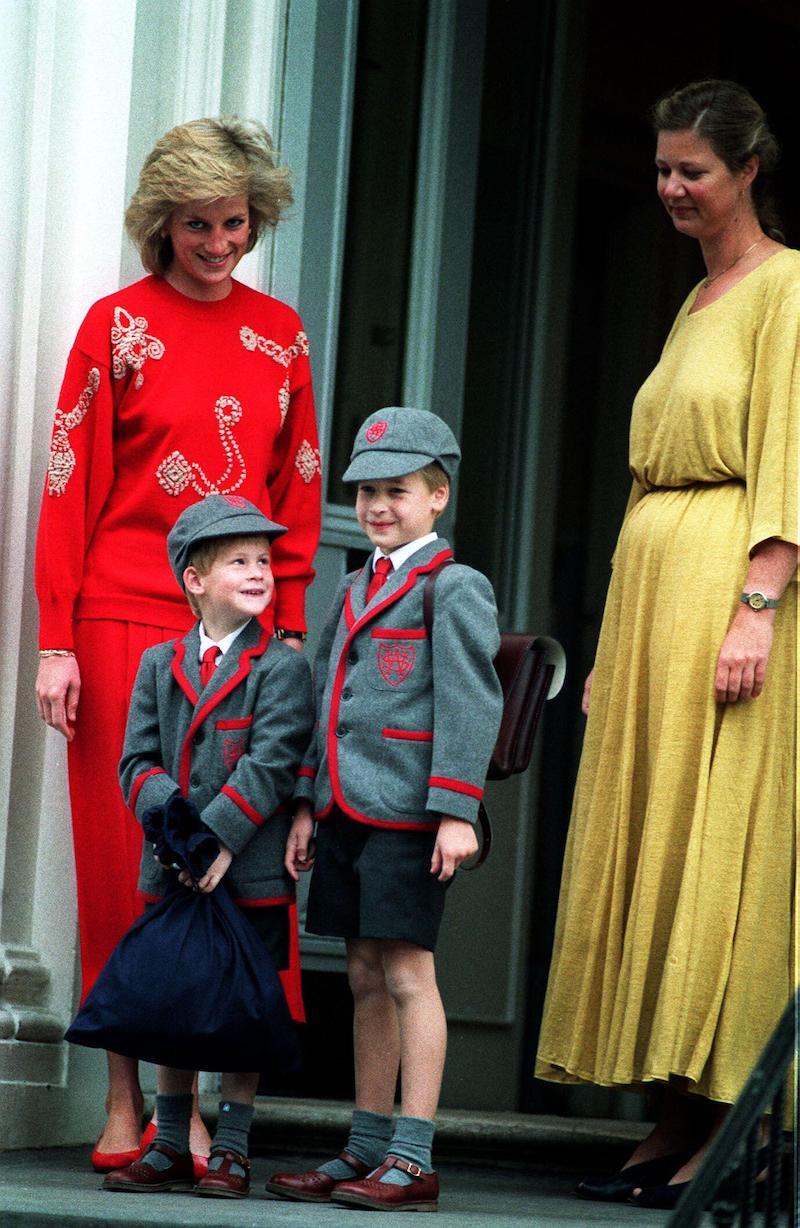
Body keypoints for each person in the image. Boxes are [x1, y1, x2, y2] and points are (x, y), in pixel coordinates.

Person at [34, 117, 321, 1172]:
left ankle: (205, 1105)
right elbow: (68, 492)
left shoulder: (280, 333)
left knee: (230, 860)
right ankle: (134, 1109)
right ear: (161, 222)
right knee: (130, 865)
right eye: (196, 224)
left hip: (242, 635)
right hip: (119, 617)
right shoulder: (115, 326)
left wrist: (281, 629)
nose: (216, 244)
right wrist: (54, 639)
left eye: (234, 223)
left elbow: (295, 492)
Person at [536, 79, 798, 1210]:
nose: (670, 189)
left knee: (715, 844)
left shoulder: (786, 287)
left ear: (746, 170)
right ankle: (667, 1117)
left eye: (691, 169)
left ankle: (728, 1125)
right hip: (653, 597)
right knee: (651, 842)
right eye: (659, 170)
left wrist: (757, 601)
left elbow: (789, 448)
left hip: (724, 587)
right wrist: (607, 644)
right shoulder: (695, 299)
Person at [266, 407, 504, 1212]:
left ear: (438, 498)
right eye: (367, 492)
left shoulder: (453, 587)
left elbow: (472, 703)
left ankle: (413, 1153)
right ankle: (365, 1146)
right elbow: (322, 696)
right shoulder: (354, 585)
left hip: (411, 813)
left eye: (397, 492)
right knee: (363, 974)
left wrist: (457, 808)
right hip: (344, 808)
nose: (376, 507)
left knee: (407, 972)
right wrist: (305, 800)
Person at [102, 494, 313, 1198]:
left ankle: (230, 1146)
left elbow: (273, 760)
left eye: (265, 561)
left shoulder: (281, 667)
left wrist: (214, 839)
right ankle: (167, 1142)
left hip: (246, 867)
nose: (259, 572)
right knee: (175, 1002)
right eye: (240, 562)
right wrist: (180, 837)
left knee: (241, 1010)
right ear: (194, 580)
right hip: (173, 865)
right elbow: (137, 762)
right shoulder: (159, 665)